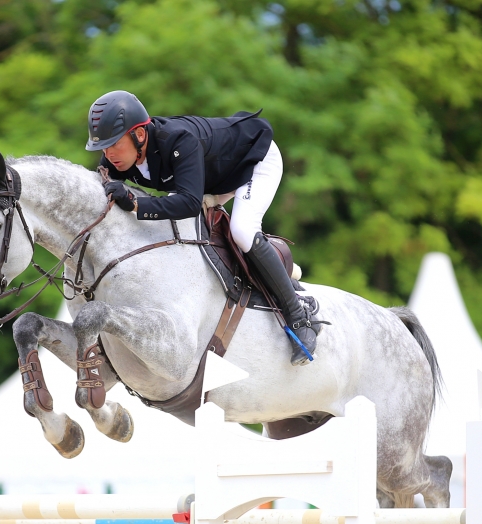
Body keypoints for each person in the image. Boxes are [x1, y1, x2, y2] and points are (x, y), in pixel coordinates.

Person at [86, 90, 320, 365]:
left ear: (139, 135)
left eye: (114, 144)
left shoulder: (178, 140)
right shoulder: (116, 160)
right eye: (103, 147)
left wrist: (136, 205)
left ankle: (299, 313)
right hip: (209, 177)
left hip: (253, 160)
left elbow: (186, 203)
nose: (108, 154)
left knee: (243, 230)